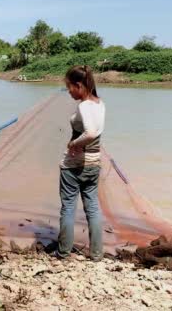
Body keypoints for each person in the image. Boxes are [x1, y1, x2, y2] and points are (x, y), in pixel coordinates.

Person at [56, 65, 105, 261]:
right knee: (92, 208)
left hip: (74, 165)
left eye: (69, 87)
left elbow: (91, 132)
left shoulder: (84, 106)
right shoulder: (100, 103)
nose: (68, 91)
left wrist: (73, 143)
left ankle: (64, 253)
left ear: (79, 85)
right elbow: (96, 133)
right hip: (94, 163)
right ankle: (96, 254)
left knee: (68, 207)